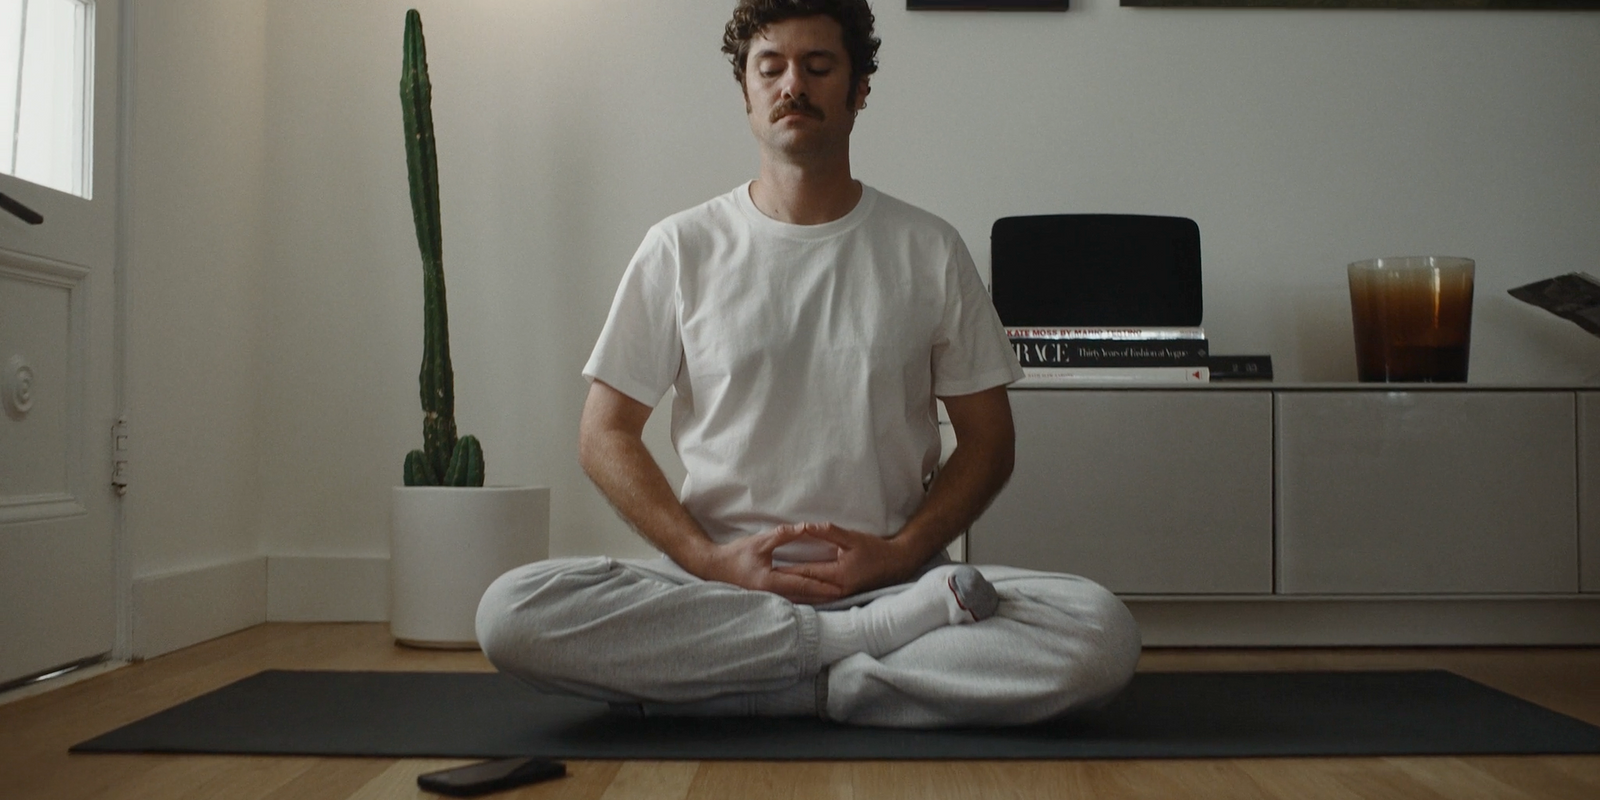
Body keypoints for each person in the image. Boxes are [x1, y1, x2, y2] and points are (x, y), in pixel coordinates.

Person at [475, 0, 1140, 728]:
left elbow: (989, 439)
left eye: (819, 67)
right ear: (747, 91)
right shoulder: (680, 248)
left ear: (858, 91)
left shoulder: (929, 249)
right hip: (718, 587)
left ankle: (752, 682)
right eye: (772, 67)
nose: (795, 83)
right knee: (509, 614)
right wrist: (707, 560)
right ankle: (851, 663)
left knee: (1100, 633)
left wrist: (901, 553)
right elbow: (604, 435)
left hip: (899, 582)